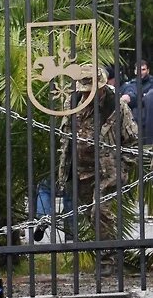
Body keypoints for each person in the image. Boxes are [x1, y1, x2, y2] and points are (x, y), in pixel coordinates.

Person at [57, 67, 138, 273]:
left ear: (101, 87)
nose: (86, 94)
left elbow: (131, 141)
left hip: (107, 170)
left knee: (99, 211)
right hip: (80, 170)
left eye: (90, 89)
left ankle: (108, 263)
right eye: (83, 89)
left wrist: (122, 166)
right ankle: (110, 253)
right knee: (92, 216)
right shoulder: (72, 102)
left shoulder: (116, 106)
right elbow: (65, 135)